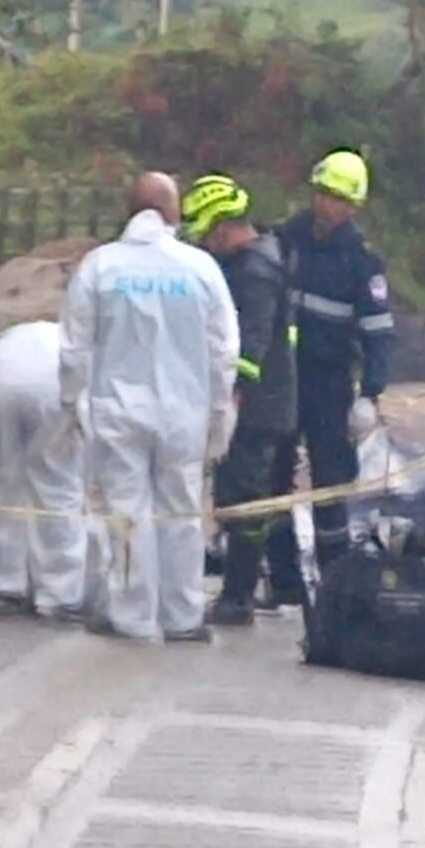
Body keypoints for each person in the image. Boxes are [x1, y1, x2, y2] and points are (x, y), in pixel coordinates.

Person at [59, 172, 239, 643]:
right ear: (173, 212)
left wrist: (72, 405)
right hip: (184, 413)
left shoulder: (99, 267)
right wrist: (219, 417)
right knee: (181, 512)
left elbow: (75, 349)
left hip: (118, 412)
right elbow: (224, 352)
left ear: (129, 210)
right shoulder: (200, 269)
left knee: (126, 513)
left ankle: (132, 616)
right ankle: (182, 616)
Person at [266, 149, 393, 602]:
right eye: (323, 194)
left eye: (338, 199)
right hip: (283, 380)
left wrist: (370, 394)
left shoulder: (361, 261)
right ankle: (283, 581)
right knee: (274, 482)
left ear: (354, 206)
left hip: (329, 384)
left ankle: (335, 587)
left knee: (331, 486)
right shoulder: (286, 241)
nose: (327, 205)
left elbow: (379, 332)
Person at [180, 173, 297, 626]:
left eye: (206, 237)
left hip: (255, 407)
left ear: (224, 228)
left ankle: (237, 596)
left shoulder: (254, 272)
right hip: (260, 401)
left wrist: (234, 395)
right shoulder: (257, 260)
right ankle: (239, 586)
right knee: (236, 496)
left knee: (246, 498)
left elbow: (250, 345)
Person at [0, 322, 87, 618]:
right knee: (58, 488)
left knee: (3, 484)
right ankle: (59, 595)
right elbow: (91, 426)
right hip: (54, 386)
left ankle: (4, 585)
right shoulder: (76, 347)